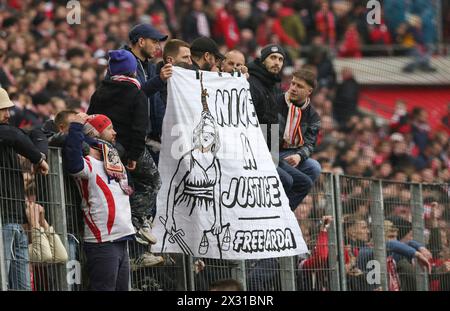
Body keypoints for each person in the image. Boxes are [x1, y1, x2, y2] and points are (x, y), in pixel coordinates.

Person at [88, 49, 163, 266]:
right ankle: (139, 222)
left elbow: (91, 119)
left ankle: (135, 231)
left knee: (125, 190)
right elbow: (140, 129)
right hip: (128, 150)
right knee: (152, 180)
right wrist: (134, 156)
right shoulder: (136, 92)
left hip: (104, 150)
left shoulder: (99, 92)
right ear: (132, 70)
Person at [64, 113, 135, 291]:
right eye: (109, 128)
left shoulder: (115, 164)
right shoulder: (88, 164)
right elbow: (73, 163)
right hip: (102, 240)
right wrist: (76, 127)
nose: (115, 133)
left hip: (122, 239)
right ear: (94, 135)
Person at [159, 75, 227, 259]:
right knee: (180, 255)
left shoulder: (216, 162)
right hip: (185, 208)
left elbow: (217, 191)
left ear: (215, 138)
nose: (207, 135)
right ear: (198, 133)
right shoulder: (187, 158)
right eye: (204, 131)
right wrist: (170, 216)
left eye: (211, 133)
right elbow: (173, 186)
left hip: (209, 213)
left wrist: (219, 220)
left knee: (210, 256)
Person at [0, 87, 49, 290]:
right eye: (2, 109)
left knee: (22, 284)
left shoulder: (9, 131)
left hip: (15, 218)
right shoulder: (6, 132)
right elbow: (15, 136)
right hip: (3, 219)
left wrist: (41, 157)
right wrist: (37, 158)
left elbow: (38, 133)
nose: (7, 114)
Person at [277, 69, 321, 210]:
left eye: (299, 86)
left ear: (309, 91)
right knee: (293, 180)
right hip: (271, 152)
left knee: (314, 167)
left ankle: (286, 209)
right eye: (293, 84)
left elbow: (310, 144)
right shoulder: (276, 101)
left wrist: (299, 156)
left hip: (291, 155)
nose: (294, 88)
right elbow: (266, 131)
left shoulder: (313, 116)